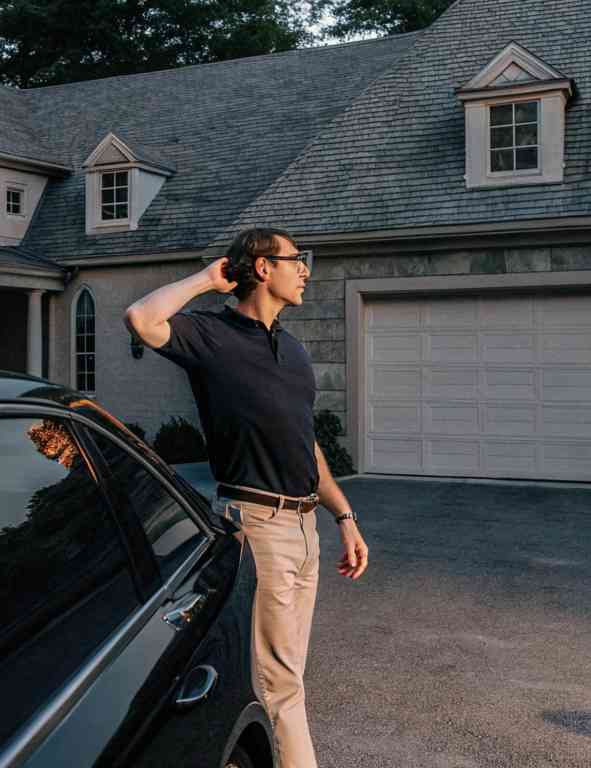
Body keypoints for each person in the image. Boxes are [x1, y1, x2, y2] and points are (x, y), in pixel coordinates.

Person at [123, 226, 368, 768]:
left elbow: (306, 445)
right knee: (281, 685)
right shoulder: (212, 338)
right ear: (262, 267)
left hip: (305, 530)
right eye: (296, 260)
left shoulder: (294, 349)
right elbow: (142, 318)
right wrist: (208, 280)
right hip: (257, 523)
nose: (306, 269)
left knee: (285, 677)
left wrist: (343, 516)